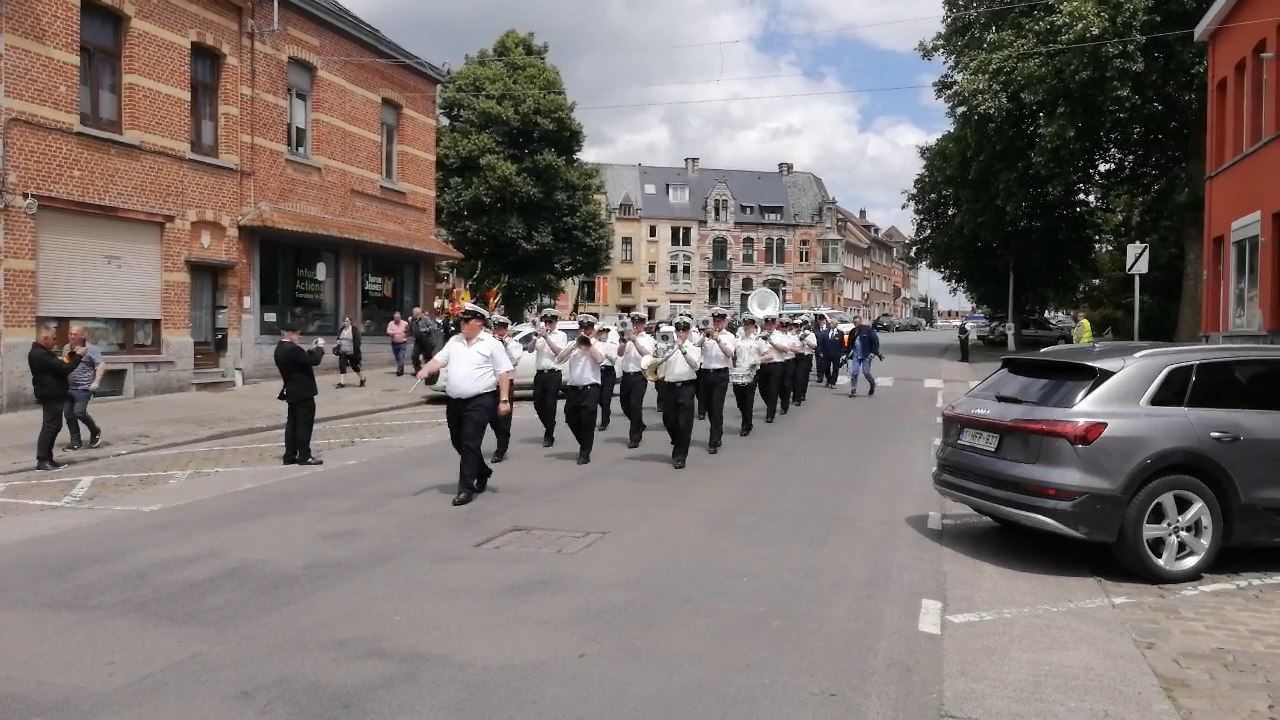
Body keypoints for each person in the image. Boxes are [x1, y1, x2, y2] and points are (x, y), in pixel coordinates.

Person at [416, 303, 513, 506]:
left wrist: (504, 400)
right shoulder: (454, 342)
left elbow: (503, 372)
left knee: (470, 442)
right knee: (458, 442)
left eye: (466, 320)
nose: (462, 323)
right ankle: (483, 471)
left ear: (479, 323)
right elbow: (438, 360)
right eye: (461, 320)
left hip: (480, 400)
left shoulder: (491, 343)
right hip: (454, 401)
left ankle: (466, 488)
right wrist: (426, 369)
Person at [555, 314, 609, 464]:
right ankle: (584, 444)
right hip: (573, 388)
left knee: (587, 421)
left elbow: (600, 360)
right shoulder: (574, 344)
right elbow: (559, 359)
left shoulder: (598, 344)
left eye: (588, 328)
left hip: (590, 388)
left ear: (593, 329)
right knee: (570, 418)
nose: (585, 330)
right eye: (582, 328)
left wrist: (589, 345)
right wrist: (575, 344)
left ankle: (585, 452)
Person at [29, 330, 85, 471]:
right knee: (50, 427)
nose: (55, 342)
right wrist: (78, 357)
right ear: (44, 338)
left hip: (52, 394)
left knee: (54, 426)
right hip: (50, 395)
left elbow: (61, 362)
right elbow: (64, 368)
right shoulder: (40, 354)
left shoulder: (43, 353)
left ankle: (48, 458)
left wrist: (72, 354)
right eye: (53, 339)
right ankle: (43, 460)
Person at [274, 323, 326, 466]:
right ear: (289, 334)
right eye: (297, 333)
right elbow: (314, 361)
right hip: (304, 392)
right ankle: (304, 455)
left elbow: (301, 361)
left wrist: (311, 349)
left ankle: (289, 455)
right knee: (304, 425)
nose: (299, 336)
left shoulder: (279, 349)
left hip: (292, 391)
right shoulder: (293, 349)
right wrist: (320, 348)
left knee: (292, 425)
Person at [660, 316, 702, 469]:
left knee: (684, 423)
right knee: (668, 419)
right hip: (670, 386)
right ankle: (678, 441)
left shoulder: (694, 348)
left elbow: (695, 365)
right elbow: (659, 363)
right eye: (678, 330)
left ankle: (680, 456)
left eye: (683, 330)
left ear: (688, 332)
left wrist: (682, 349)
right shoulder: (668, 347)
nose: (680, 333)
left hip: (687, 386)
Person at [693, 307, 736, 454]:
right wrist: (705, 335)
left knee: (716, 407)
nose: (717, 324)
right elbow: (695, 347)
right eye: (715, 321)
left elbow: (729, 353)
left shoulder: (729, 336)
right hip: (705, 374)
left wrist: (717, 338)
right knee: (709, 407)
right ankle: (718, 430)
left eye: (719, 321)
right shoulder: (705, 336)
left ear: (725, 322)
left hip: (720, 375)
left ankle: (714, 440)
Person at [526, 308, 567, 447]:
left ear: (556, 322)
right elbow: (530, 349)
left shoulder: (560, 335)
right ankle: (550, 424)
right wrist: (535, 337)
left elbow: (559, 353)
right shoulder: (539, 335)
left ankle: (549, 433)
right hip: (540, 374)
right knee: (538, 403)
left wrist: (547, 338)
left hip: (553, 374)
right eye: (546, 321)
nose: (548, 324)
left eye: (551, 321)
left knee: (550, 404)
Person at [615, 312, 656, 449]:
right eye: (634, 323)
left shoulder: (648, 339)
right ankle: (639, 424)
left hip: (640, 376)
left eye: (639, 323)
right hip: (626, 376)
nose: (636, 325)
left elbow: (647, 354)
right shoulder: (627, 337)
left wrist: (635, 341)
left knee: (635, 405)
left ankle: (634, 438)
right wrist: (624, 341)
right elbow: (620, 353)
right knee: (625, 405)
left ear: (644, 324)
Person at [63, 325, 106, 451]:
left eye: (75, 334)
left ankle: (95, 431)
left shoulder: (91, 349)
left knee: (79, 412)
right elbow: (65, 363)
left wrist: (96, 381)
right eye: (70, 334)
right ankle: (75, 442)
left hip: (84, 388)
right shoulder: (66, 348)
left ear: (82, 335)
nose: (72, 336)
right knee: (69, 415)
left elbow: (101, 364)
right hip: (68, 387)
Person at [488, 315, 523, 464]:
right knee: (491, 417)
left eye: (501, 328)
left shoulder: (514, 344)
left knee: (504, 418)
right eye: (496, 328)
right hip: (490, 383)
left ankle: (501, 449)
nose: (498, 331)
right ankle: (501, 438)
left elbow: (513, 360)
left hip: (506, 383)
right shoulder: (489, 343)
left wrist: (504, 345)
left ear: (507, 329)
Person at [731, 315, 765, 437]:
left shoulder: (757, 340)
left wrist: (758, 361)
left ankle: (746, 425)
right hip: (738, 373)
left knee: (748, 400)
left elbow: (769, 355)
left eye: (749, 325)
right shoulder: (737, 340)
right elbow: (732, 355)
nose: (747, 327)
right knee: (739, 401)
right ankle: (746, 420)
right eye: (745, 325)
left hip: (751, 373)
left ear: (753, 326)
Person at [847, 315, 885, 398]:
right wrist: (846, 354)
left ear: (861, 321)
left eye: (857, 322)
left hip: (866, 355)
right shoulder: (852, 332)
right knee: (854, 372)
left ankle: (872, 384)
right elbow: (849, 344)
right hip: (856, 355)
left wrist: (874, 352)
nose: (856, 324)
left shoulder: (868, 329)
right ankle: (853, 390)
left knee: (866, 372)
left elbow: (875, 341)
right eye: (854, 323)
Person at [596, 327, 619, 431]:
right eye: (602, 332)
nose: (603, 335)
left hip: (608, 371)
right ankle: (606, 410)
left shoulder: (611, 344)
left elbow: (614, 360)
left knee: (606, 398)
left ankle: (604, 421)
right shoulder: (595, 344)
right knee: (598, 398)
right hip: (597, 371)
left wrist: (607, 354)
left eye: (605, 333)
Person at [792, 315, 817, 405]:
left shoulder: (809, 334)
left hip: (805, 357)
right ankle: (796, 395)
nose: (798, 328)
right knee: (794, 378)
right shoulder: (792, 335)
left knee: (802, 377)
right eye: (796, 326)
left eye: (800, 325)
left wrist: (805, 341)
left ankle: (799, 396)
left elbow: (814, 346)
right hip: (794, 357)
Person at [334, 316, 366, 388]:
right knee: (342, 365)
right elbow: (338, 338)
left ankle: (362, 379)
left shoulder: (354, 330)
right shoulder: (342, 329)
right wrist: (338, 341)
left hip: (352, 352)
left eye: (347, 321)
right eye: (344, 321)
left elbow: (358, 341)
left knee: (354, 367)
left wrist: (356, 352)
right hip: (342, 351)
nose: (345, 323)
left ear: (350, 322)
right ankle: (342, 383)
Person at [386, 311, 410, 376]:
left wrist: (406, 333)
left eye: (398, 318)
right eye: (395, 318)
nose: (396, 319)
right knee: (397, 358)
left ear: (400, 318)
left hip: (402, 343)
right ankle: (401, 369)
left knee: (401, 357)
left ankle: (399, 371)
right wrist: (392, 333)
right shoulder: (391, 323)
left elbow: (408, 332)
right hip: (394, 343)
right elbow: (388, 331)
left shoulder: (405, 323)